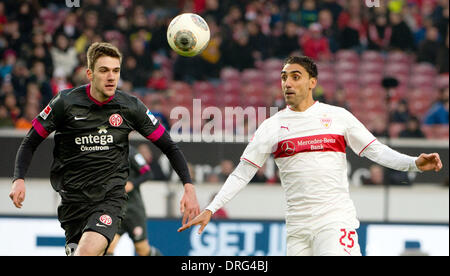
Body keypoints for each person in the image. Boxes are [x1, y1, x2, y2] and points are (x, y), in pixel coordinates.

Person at [178, 56, 443, 256]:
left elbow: (375, 150)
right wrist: (211, 207)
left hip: (334, 221)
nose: (287, 83)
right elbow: (242, 172)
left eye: (295, 76)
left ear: (312, 82)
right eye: (284, 77)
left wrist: (413, 164)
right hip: (297, 229)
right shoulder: (271, 127)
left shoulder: (337, 117)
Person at [9, 42, 199, 256]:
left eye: (116, 71)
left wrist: (188, 186)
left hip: (109, 200)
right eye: (104, 70)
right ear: (90, 74)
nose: (111, 77)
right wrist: (19, 178)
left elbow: (168, 146)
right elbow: (30, 141)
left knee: (86, 253)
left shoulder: (130, 107)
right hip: (72, 203)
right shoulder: (65, 103)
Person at [106, 145, 162, 256]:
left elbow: (147, 173)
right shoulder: (106, 152)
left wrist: (132, 184)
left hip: (133, 210)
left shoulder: (131, 152)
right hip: (116, 210)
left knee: (142, 249)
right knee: (109, 246)